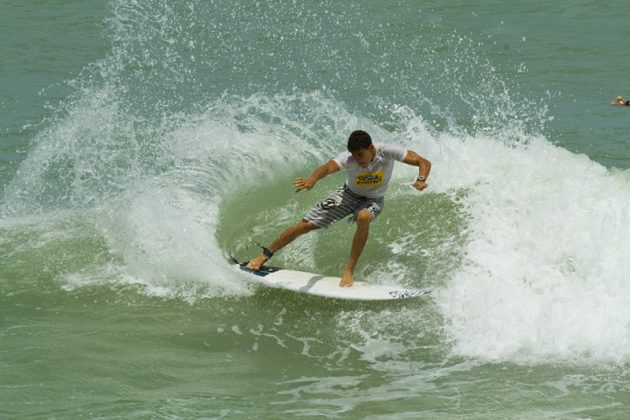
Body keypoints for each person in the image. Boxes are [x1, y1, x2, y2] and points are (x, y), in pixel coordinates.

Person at [245, 130, 431, 287]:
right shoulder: (349, 158)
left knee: (364, 217)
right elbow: (326, 167)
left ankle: (348, 270)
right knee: (306, 224)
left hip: (373, 199)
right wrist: (313, 179)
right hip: (348, 194)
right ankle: (264, 255)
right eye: (354, 155)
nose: (358, 160)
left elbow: (423, 162)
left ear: (371, 148)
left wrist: (421, 179)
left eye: (361, 155)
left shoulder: (388, 151)